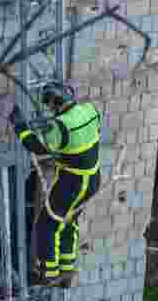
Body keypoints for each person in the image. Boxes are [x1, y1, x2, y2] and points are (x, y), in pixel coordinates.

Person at [10, 82, 102, 288]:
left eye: (51, 106)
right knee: (68, 222)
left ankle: (48, 275)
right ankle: (66, 271)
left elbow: (41, 150)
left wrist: (21, 128)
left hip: (73, 183)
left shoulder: (60, 127)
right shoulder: (91, 110)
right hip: (92, 179)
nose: (50, 110)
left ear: (57, 103)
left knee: (47, 226)